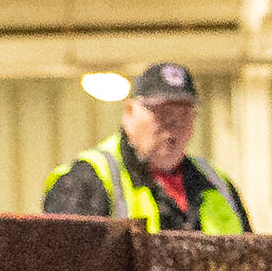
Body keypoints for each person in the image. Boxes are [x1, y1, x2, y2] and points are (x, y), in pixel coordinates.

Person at [44, 62, 250, 234]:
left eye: (184, 115)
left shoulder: (216, 183)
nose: (173, 126)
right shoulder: (88, 179)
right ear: (130, 113)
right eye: (162, 114)